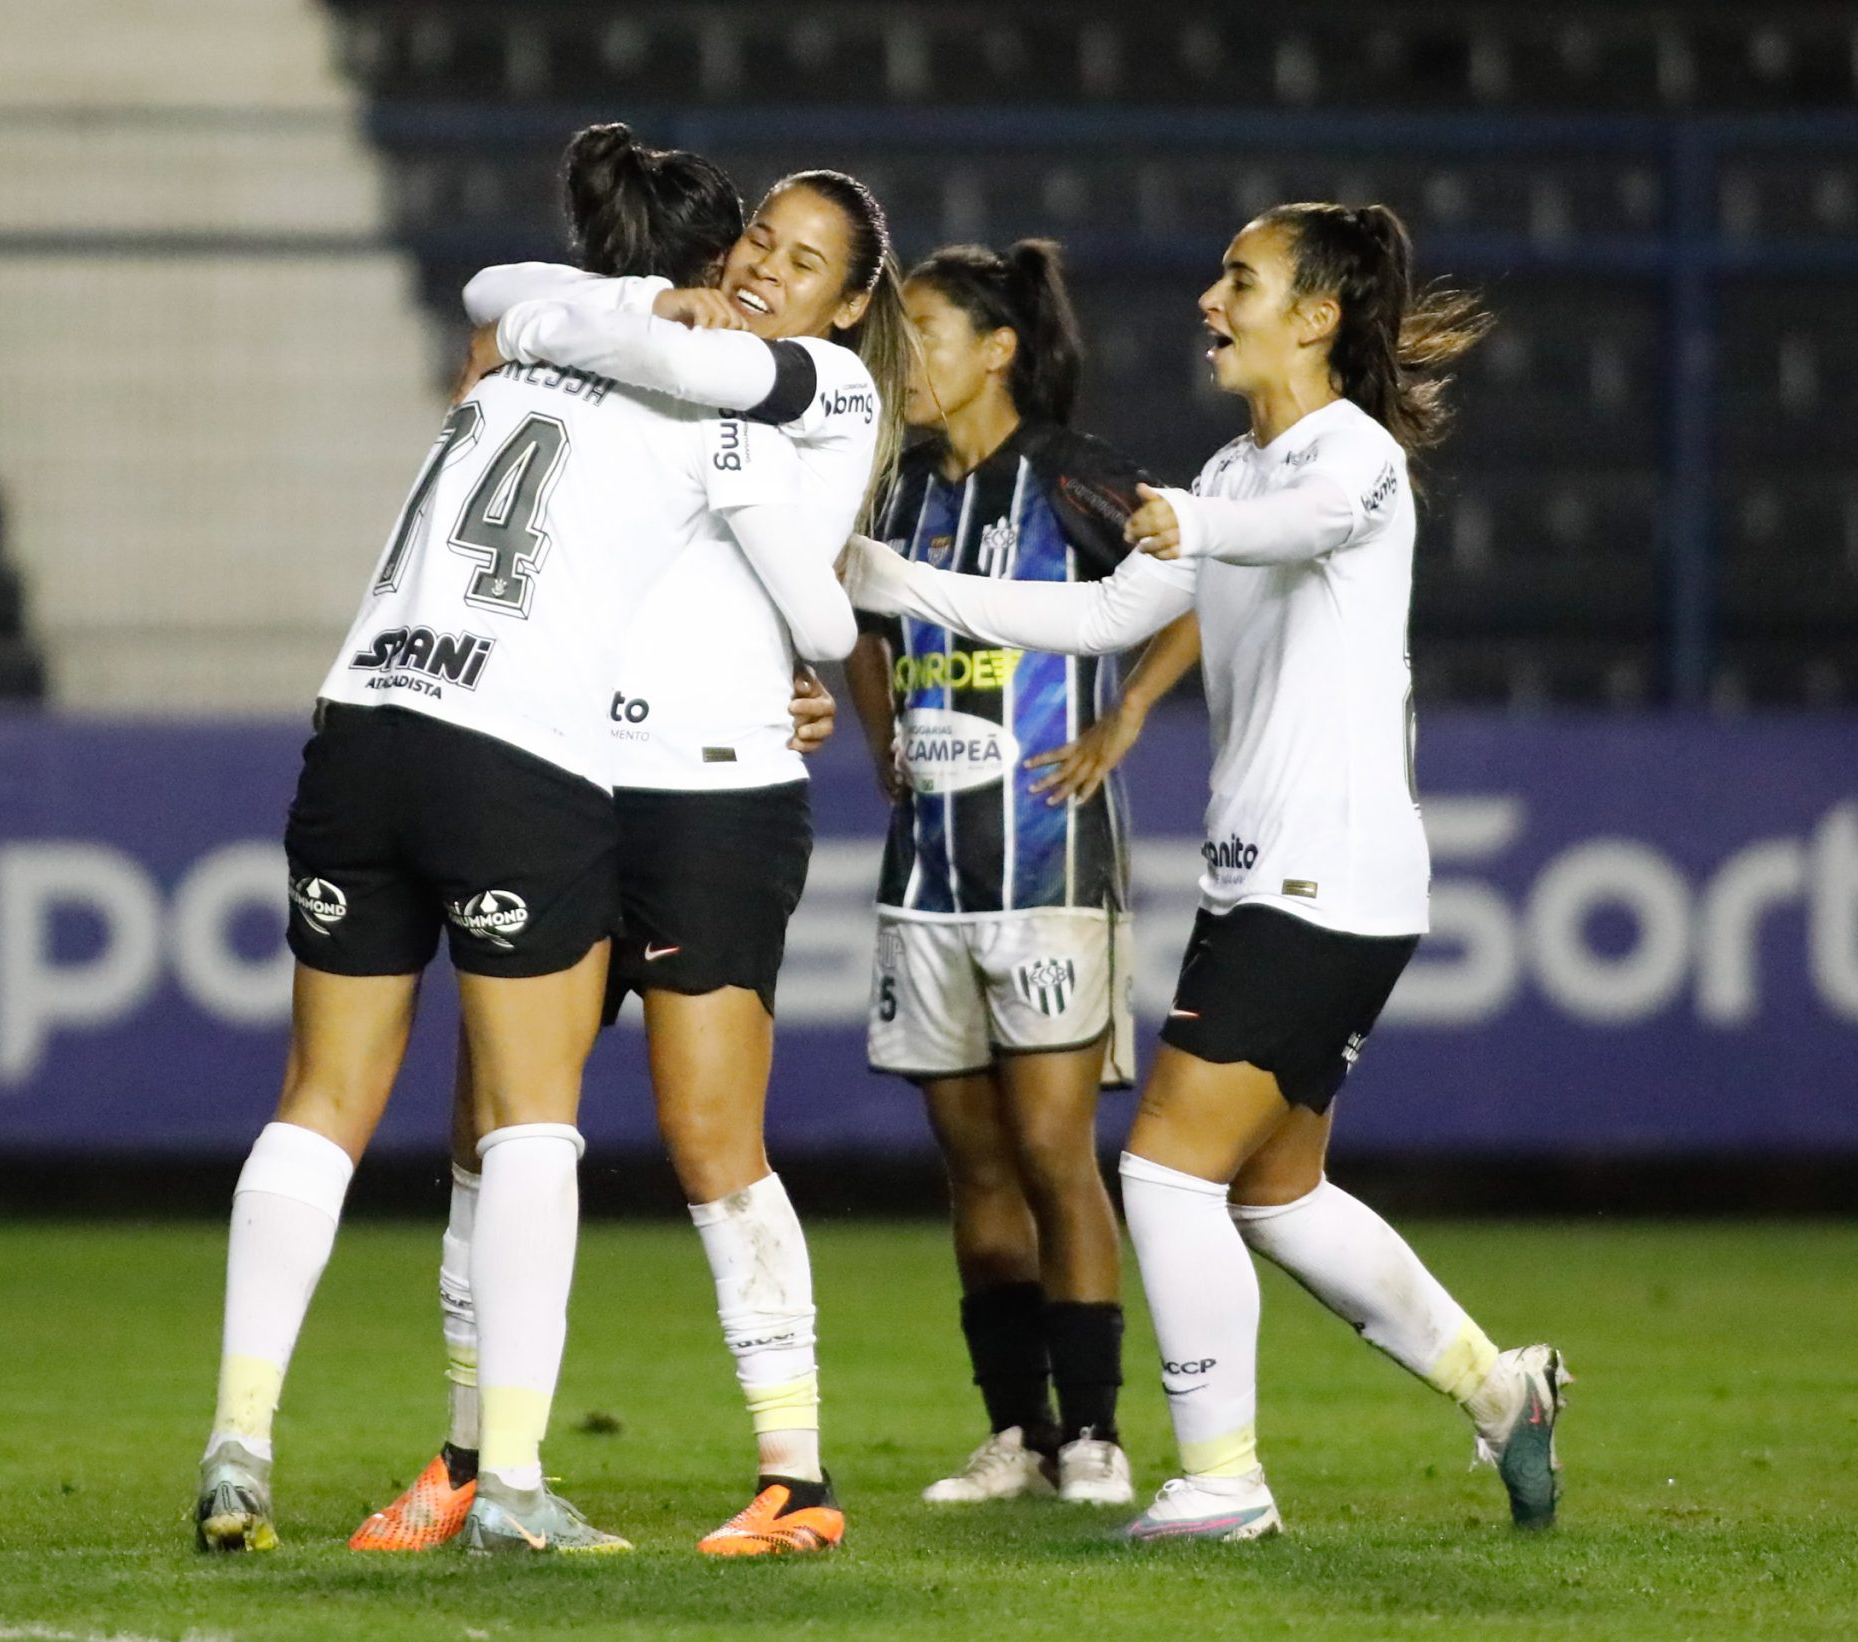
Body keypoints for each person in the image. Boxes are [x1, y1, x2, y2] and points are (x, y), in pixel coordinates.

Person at [845, 202, 1570, 1542]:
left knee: (1166, 1170)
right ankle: (1498, 1384)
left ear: (1317, 315)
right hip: (1271, 883)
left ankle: (1223, 1477)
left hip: (1322, 881)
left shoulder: (1349, 460)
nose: (1208, 299)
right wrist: (895, 577)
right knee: (1276, 1190)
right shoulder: (1234, 473)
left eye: (1240, 278)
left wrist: (1178, 516)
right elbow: (1100, 612)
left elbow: (1297, 522)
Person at [192, 126, 863, 1558]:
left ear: (851, 303)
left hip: (686, 785)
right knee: (499, 1126)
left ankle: (790, 1466)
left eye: (803, 260)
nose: (765, 269)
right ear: (709, 251)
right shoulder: (627, 350)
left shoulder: (806, 384)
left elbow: (811, 591)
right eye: (755, 246)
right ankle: (482, 1459)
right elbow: (545, 305)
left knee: (698, 1131)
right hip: (542, 760)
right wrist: (595, 311)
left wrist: (569, 317)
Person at [840, 239, 1200, 1508]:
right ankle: (1019, 1432)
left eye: (925, 331)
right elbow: (862, 632)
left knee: (1053, 1151)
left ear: (997, 349)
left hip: (1049, 868)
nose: (907, 358)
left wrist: (1127, 715)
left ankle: (1096, 1430)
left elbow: (1194, 577)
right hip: (927, 876)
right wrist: (880, 733)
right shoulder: (892, 491)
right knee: (974, 1167)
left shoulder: (1072, 480)